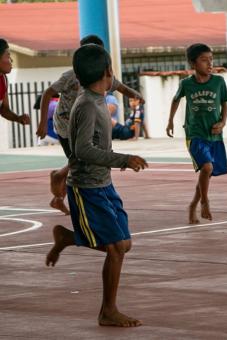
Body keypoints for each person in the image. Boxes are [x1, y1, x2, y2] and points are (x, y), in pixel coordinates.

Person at [45, 44, 148, 327]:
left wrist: (132, 93)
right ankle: (108, 311)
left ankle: (68, 237)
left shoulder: (99, 88)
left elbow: (117, 84)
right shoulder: (88, 105)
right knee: (115, 249)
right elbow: (82, 150)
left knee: (124, 244)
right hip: (86, 187)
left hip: (104, 183)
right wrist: (123, 159)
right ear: (106, 71)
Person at [36, 35, 145, 214]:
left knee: (83, 159)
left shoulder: (103, 76)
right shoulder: (69, 77)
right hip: (66, 125)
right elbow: (48, 93)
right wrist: (42, 123)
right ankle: (61, 186)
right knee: (81, 160)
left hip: (86, 122)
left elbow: (120, 87)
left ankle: (60, 189)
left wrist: (135, 95)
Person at [166, 43, 227, 224]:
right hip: (194, 135)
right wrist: (170, 120)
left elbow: (225, 103)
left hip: (215, 136)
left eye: (211, 59)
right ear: (193, 64)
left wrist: (223, 122)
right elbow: (176, 99)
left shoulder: (219, 82)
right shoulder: (186, 83)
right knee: (207, 167)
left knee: (205, 173)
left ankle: (193, 204)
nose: (209, 63)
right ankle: (205, 201)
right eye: (204, 60)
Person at [0, 39, 30, 126]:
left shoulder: (4, 80)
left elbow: (3, 109)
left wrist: (18, 118)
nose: (11, 60)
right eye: (8, 56)